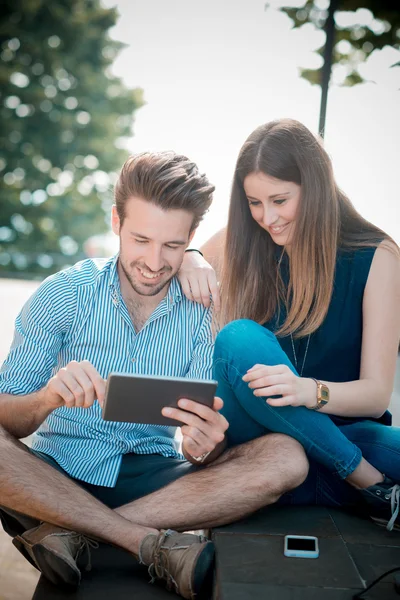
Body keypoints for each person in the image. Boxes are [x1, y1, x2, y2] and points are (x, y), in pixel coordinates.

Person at [0, 151, 309, 600]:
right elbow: (9, 417)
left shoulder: (205, 312)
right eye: (141, 239)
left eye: (171, 245)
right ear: (116, 222)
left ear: (191, 238)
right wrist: (47, 397)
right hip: (56, 472)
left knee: (286, 456)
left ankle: (75, 535)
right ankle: (141, 541)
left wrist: (207, 444)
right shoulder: (63, 294)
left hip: (154, 475)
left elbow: (198, 446)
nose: (154, 261)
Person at [178, 119, 400, 531]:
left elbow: (374, 395)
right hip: (267, 440)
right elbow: (179, 259)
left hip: (345, 432)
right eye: (255, 202)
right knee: (239, 338)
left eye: (280, 200)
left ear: (314, 187)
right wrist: (191, 255)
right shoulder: (244, 237)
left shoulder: (378, 257)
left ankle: (301, 483)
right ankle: (369, 487)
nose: (268, 217)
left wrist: (306, 391)